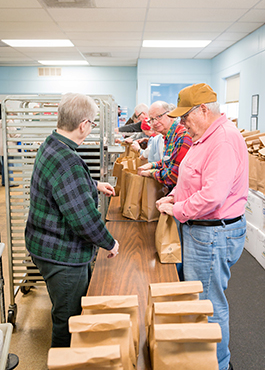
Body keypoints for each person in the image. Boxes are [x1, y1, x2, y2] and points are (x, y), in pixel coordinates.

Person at [156, 83, 248, 370]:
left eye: (185, 117)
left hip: (212, 234)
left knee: (208, 305)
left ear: (204, 110)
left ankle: (217, 364)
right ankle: (201, 356)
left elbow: (212, 195)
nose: (181, 123)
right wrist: (173, 196)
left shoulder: (221, 140)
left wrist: (178, 209)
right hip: (201, 230)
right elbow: (193, 180)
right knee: (198, 297)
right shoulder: (203, 137)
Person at [25, 93, 119, 348]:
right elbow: (84, 221)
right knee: (68, 319)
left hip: (42, 244)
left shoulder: (52, 144)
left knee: (64, 309)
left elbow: (59, 185)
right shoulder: (69, 162)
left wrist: (94, 185)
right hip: (62, 256)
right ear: (84, 125)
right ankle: (63, 360)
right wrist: (109, 243)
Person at [137, 100, 192, 192]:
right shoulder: (168, 136)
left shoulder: (182, 136)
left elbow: (172, 176)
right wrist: (152, 165)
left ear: (170, 115)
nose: (155, 122)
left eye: (159, 117)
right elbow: (169, 161)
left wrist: (151, 173)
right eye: (152, 119)